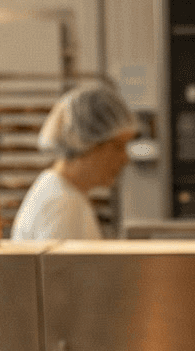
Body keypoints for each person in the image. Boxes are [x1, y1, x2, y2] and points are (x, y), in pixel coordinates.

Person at [10, 82, 136, 243]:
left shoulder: (65, 193)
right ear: (86, 144)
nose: (125, 158)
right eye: (118, 146)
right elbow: (60, 269)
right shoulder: (61, 205)